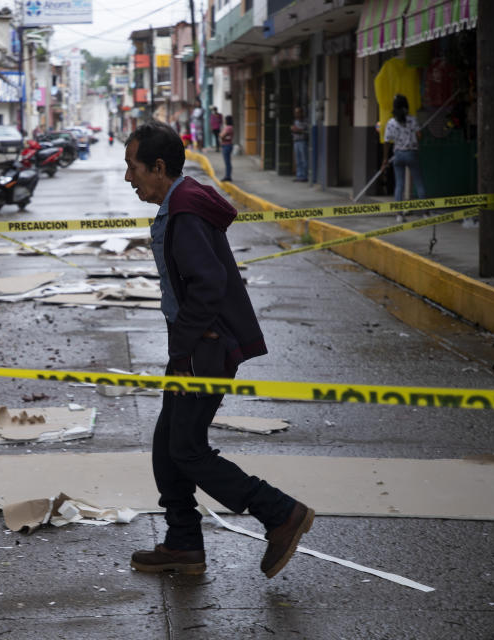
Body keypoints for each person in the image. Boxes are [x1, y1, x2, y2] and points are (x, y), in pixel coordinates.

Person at [123, 121, 314, 579]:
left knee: (186, 449)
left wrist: (187, 350)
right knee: (168, 446)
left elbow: (209, 284)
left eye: (133, 168)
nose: (128, 178)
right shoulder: (181, 202)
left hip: (201, 349)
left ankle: (280, 512)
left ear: (159, 167)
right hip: (192, 345)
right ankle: (183, 542)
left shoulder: (185, 212)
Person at [382, 94, 426, 219]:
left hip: (398, 156)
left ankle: (399, 214)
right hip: (412, 154)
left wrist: (385, 159)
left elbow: (387, 142)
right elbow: (419, 135)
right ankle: (425, 212)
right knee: (419, 183)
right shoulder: (412, 120)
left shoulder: (390, 123)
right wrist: (416, 138)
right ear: (406, 106)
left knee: (399, 185)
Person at [291, 106, 308, 182]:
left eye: (298, 112)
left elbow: (303, 130)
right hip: (296, 141)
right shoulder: (295, 121)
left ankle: (304, 176)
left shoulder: (305, 121)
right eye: (295, 112)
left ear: (301, 113)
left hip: (302, 141)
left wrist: (296, 129)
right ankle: (299, 175)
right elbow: (294, 130)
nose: (296, 114)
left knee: (304, 159)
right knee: (298, 160)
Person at [219, 115, 234, 181]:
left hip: (226, 146)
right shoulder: (230, 127)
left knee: (227, 162)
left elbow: (221, 135)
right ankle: (228, 175)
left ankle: (228, 176)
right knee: (227, 162)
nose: (224, 121)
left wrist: (221, 135)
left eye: (225, 119)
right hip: (227, 145)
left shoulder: (228, 128)